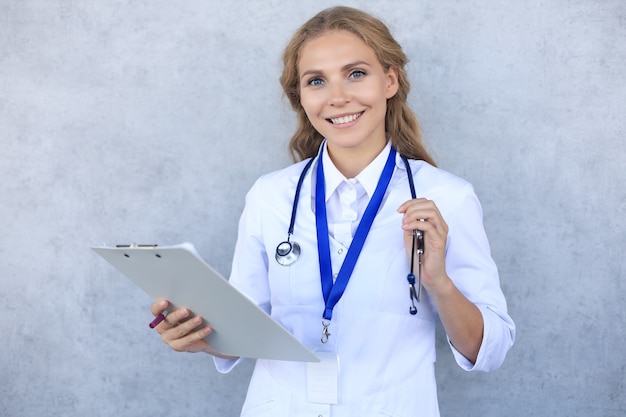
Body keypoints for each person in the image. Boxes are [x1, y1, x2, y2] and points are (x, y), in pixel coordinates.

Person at [150, 6, 515, 416]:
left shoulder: (446, 198)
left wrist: (439, 282)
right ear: (301, 98)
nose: (338, 97)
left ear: (390, 80)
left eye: (356, 73)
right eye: (317, 81)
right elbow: (242, 324)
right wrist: (199, 333)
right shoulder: (270, 197)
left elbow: (491, 348)